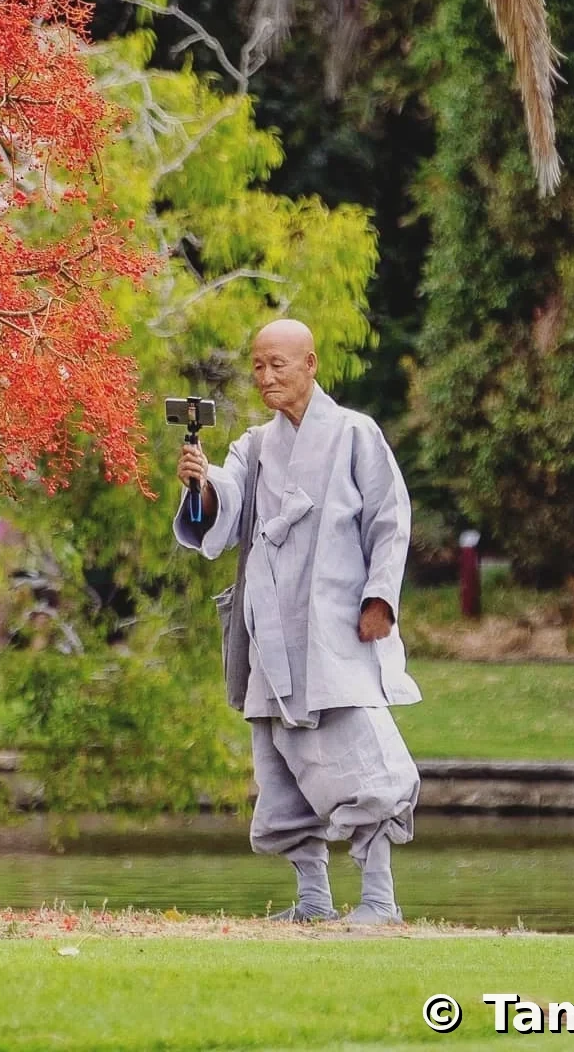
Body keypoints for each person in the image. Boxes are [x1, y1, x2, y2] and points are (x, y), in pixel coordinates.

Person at [173, 318, 421, 925]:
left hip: (334, 628)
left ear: (310, 364)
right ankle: (312, 898)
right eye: (257, 366)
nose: (265, 377)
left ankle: (379, 900)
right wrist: (203, 486)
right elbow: (224, 510)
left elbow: (390, 521)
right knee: (280, 767)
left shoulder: (355, 434)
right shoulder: (253, 446)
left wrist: (379, 599)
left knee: (362, 756)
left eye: (277, 364)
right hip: (271, 632)